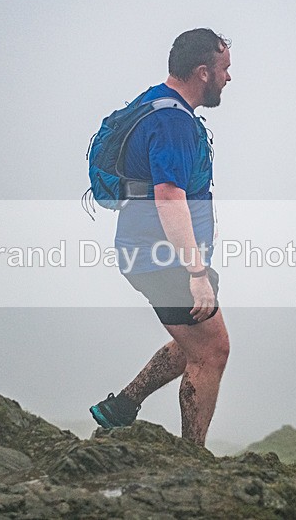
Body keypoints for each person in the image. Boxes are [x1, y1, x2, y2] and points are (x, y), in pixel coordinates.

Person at [90, 28, 232, 447]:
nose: (229, 78)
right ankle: (193, 457)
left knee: (194, 337)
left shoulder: (156, 101)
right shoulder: (172, 122)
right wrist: (195, 271)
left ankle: (123, 406)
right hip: (162, 257)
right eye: (224, 69)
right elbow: (169, 197)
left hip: (151, 252)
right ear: (203, 72)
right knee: (212, 351)